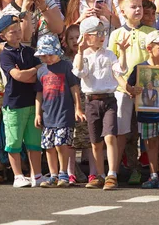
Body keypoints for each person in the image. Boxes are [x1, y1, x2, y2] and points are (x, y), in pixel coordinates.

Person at [73, 17, 129, 190]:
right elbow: (80, 72)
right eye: (97, 33)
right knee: (95, 142)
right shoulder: (82, 56)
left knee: (110, 136)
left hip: (109, 100)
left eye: (103, 32)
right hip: (91, 102)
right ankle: (99, 174)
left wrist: (123, 53)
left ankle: (112, 174)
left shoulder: (109, 54)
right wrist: (81, 52)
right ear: (85, 36)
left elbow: (121, 69)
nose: (101, 36)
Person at [108, 0, 155, 185]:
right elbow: (111, 65)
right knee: (122, 131)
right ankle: (116, 170)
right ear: (122, 11)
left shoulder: (150, 33)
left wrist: (142, 87)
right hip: (122, 90)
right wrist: (126, 86)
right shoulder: (116, 34)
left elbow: (154, 63)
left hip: (146, 90)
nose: (138, 10)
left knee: (148, 131)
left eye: (140, 6)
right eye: (133, 7)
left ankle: (153, 172)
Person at [126, 30, 159, 189]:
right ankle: (153, 175)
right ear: (149, 49)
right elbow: (130, 86)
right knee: (151, 145)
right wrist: (134, 90)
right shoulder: (140, 68)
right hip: (146, 113)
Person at [0, 15, 43, 188]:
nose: (17, 34)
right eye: (12, 32)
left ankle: (36, 175)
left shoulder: (30, 51)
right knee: (14, 142)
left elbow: (39, 74)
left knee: (34, 141)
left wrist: (28, 74)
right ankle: (18, 175)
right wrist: (33, 71)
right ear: (3, 36)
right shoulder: (5, 55)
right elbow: (17, 76)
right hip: (14, 104)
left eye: (18, 30)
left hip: (32, 102)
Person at [34, 35, 85, 187]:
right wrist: (38, 113)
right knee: (48, 146)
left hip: (64, 113)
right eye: (44, 55)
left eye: (50, 54)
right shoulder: (41, 71)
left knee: (61, 144)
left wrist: (78, 107)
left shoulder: (66, 66)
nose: (48, 58)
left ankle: (64, 173)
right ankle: (53, 175)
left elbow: (74, 88)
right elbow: (39, 93)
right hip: (48, 114)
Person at [62, 25, 94, 184]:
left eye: (78, 37)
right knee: (72, 140)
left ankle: (93, 173)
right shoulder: (65, 61)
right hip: (71, 104)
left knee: (90, 137)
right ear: (66, 42)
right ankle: (70, 172)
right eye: (71, 38)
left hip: (88, 101)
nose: (75, 41)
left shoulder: (90, 56)